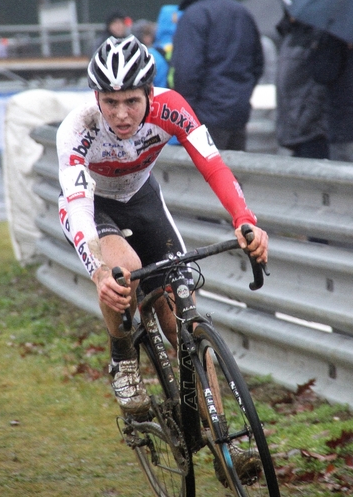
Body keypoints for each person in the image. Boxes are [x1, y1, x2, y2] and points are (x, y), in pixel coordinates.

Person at [56, 35, 268, 415]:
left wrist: (245, 220)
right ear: (96, 98)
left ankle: (227, 442)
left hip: (141, 200)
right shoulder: (78, 128)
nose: (121, 114)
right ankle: (122, 355)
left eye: (132, 101)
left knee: (183, 320)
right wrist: (101, 271)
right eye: (111, 102)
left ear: (150, 93)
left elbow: (213, 165)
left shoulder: (171, 107)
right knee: (126, 272)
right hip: (93, 208)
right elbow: (78, 205)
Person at [171, 0, 264, 151]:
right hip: (238, 114)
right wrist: (240, 95)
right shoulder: (242, 12)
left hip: (205, 118)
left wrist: (187, 115)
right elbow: (258, 63)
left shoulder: (194, 16)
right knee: (233, 179)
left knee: (203, 179)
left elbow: (186, 70)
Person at [275, 12, 329, 159]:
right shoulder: (290, 34)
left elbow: (321, 83)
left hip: (313, 130)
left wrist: (306, 118)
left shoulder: (317, 35)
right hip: (293, 127)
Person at [309, 32, 353, 163]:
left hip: (347, 122)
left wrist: (318, 48)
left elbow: (322, 73)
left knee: (346, 177)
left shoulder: (336, 32)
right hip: (350, 119)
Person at [131, 18, 169, 87]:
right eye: (145, 35)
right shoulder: (160, 51)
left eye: (149, 35)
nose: (148, 39)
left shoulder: (155, 52)